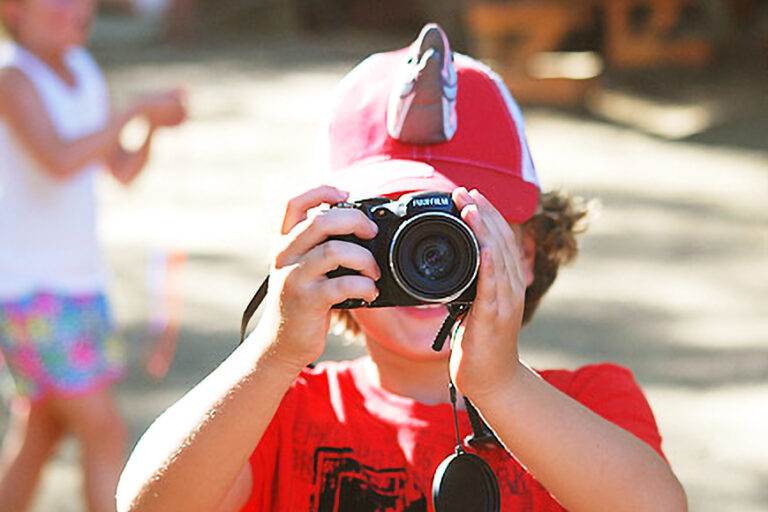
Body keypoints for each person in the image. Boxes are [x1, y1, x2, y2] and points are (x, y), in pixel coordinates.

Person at [116, 24, 687, 512]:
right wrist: (274, 351)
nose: (426, 260)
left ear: (528, 254)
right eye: (389, 231)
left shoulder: (591, 402)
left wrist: (501, 385)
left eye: (460, 230)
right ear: (323, 245)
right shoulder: (274, 412)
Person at [0, 0, 186, 511]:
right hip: (26, 292)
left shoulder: (83, 69)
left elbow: (120, 167)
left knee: (41, 432)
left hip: (80, 285)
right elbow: (59, 159)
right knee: (103, 430)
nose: (75, 8)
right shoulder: (11, 77)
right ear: (14, 10)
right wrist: (133, 110)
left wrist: (151, 126)